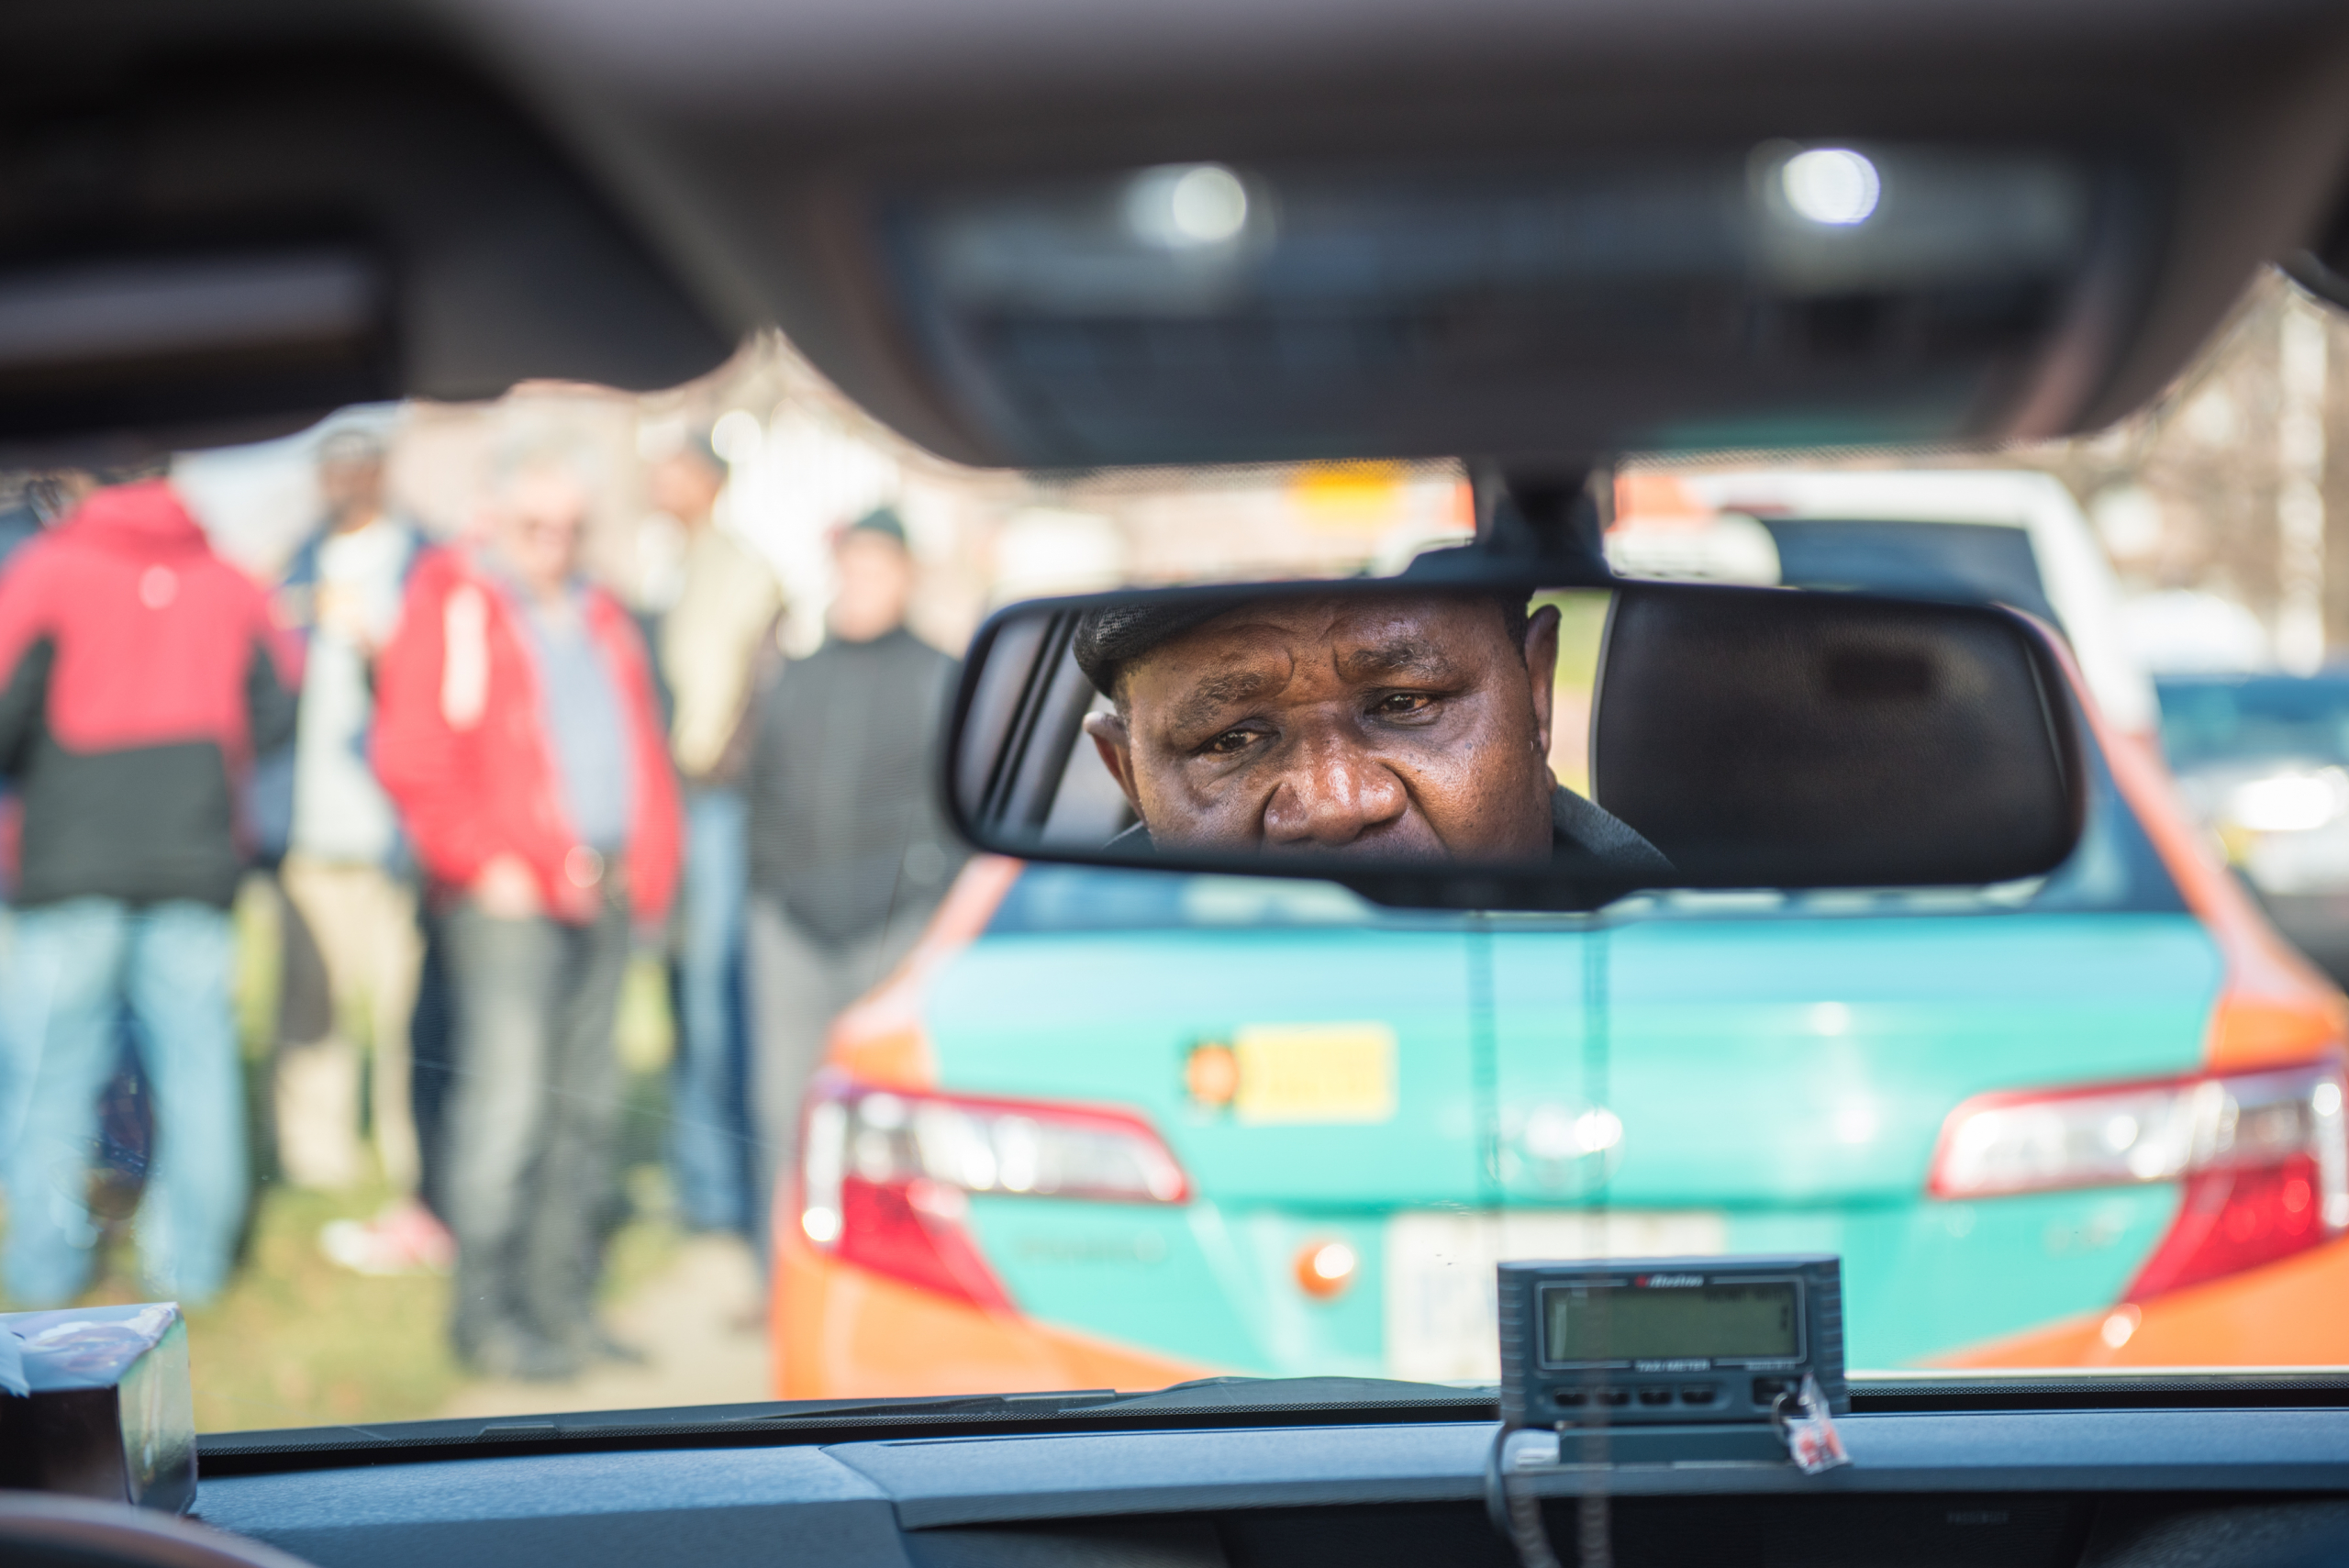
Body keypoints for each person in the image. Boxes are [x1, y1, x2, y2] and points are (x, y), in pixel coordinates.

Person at [371, 443, 681, 1379]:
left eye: (572, 526)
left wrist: (655, 863)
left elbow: (638, 741)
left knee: (581, 1110)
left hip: (607, 885)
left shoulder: (600, 609)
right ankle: (486, 1313)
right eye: (537, 524)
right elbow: (411, 752)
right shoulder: (452, 597)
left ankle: (561, 1302)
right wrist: (484, 859)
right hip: (506, 895)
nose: (556, 543)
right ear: (497, 517)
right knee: (505, 1107)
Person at [0, 474, 302, 1307]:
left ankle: (46, 1267)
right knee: (198, 1066)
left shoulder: (48, 568)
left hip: (71, 857)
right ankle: (191, 1268)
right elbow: (279, 710)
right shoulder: (231, 583)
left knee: (51, 1070)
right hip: (194, 856)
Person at [1073, 590, 1671, 874]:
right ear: (1129, 778)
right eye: (1232, 741)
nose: (1335, 805)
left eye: (1405, 703)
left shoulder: (1678, 970)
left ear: (1535, 694)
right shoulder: (1067, 990)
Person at [743, 507, 963, 1253]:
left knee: (885, 1114)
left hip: (893, 925)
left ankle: (882, 1267)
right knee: (784, 1106)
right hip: (793, 924)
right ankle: (784, 1267)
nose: (860, 584)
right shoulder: (798, 676)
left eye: (877, 568)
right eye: (851, 567)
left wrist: (929, 899)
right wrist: (769, 885)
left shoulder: (940, 676)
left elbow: (957, 809)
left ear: (906, 575)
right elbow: (762, 787)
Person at [265, 430, 435, 1237]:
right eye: (329, 471)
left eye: (354, 469)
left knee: (404, 1006)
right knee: (309, 1002)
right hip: (309, 822)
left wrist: (382, 648)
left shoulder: (426, 563)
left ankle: (407, 1154)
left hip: (396, 827)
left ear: (380, 473)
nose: (340, 483)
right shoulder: (295, 565)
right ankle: (314, 1156)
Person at [646, 430, 782, 1238]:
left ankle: (724, 1188)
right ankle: (699, 1180)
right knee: (678, 988)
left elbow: (754, 689)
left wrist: (720, 770)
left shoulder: (740, 568)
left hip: (713, 800)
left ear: (708, 481)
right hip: (672, 799)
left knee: (711, 992)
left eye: (674, 469)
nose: (659, 481)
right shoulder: (675, 563)